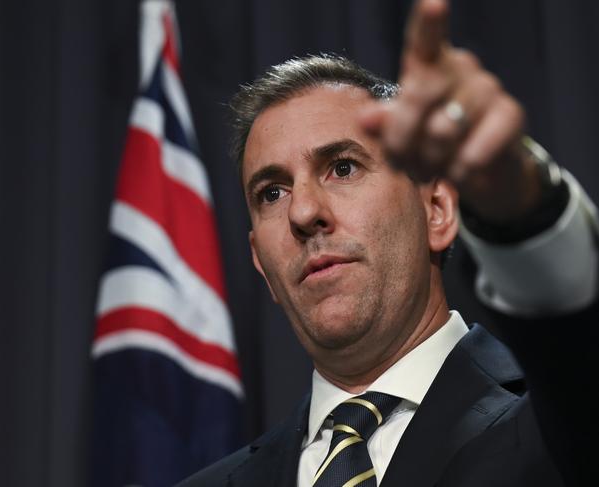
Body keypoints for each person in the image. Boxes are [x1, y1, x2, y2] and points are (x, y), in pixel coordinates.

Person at [177, 0, 598, 485]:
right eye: (273, 192)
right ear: (261, 263)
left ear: (437, 208)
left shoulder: (560, 419)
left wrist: (516, 204)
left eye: (342, 167)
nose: (303, 212)